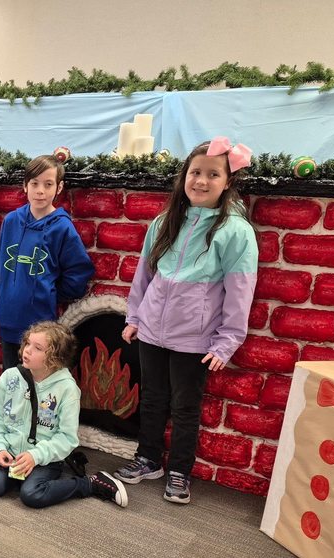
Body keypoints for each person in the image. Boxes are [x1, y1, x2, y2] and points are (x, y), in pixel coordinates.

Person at [116, 138, 259, 504]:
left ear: (227, 181)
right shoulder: (165, 221)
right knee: (151, 398)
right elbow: (144, 275)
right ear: (184, 177)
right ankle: (148, 459)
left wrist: (227, 342)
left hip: (194, 339)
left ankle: (179, 470)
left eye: (213, 174)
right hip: (151, 330)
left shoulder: (236, 232)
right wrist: (135, 317)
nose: (201, 180)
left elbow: (240, 291)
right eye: (195, 172)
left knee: (184, 408)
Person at [0, 321, 128, 509]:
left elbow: (67, 438)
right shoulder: (10, 377)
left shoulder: (67, 389)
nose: (27, 350)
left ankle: (90, 484)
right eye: (27, 343)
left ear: (54, 358)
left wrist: (36, 456)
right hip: (10, 451)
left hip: (45, 459)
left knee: (31, 494)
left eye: (38, 348)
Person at [0, 154, 94, 371]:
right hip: (8, 320)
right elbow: (0, 267)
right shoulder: (11, 221)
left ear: (59, 188)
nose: (40, 190)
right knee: (11, 382)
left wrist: (48, 292)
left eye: (48, 184)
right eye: (35, 183)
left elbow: (79, 270)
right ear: (25, 186)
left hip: (40, 326)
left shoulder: (62, 228)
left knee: (37, 385)